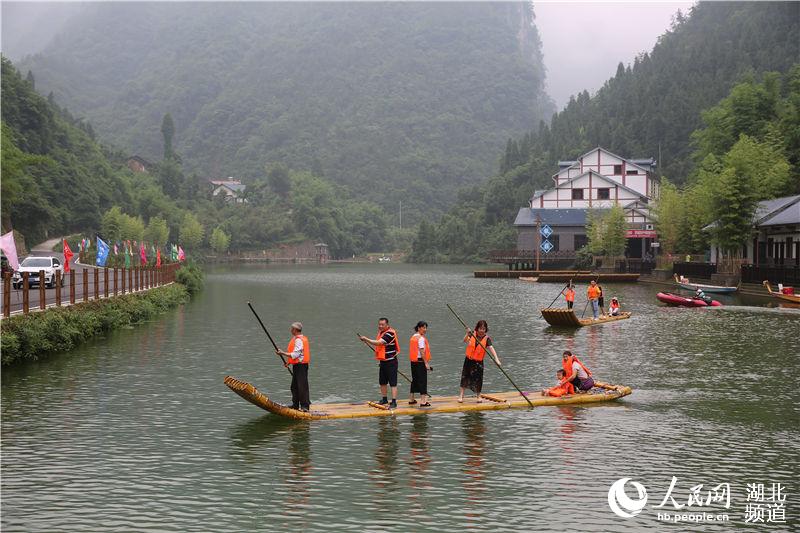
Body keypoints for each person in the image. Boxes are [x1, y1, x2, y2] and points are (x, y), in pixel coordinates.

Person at [359, 318, 401, 408]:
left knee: (393, 383)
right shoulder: (382, 333)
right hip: (383, 361)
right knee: (382, 382)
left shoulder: (390, 333)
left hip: (391, 362)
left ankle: (394, 401)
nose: (380, 326)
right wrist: (367, 341)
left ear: (387, 325)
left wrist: (366, 339)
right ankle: (384, 399)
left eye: (382, 325)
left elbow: (379, 343)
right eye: (379, 324)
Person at [459, 320, 501, 403]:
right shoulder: (472, 334)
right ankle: (461, 396)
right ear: (477, 328)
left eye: (483, 329)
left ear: (486, 329)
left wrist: (496, 359)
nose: (482, 330)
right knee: (465, 377)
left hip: (478, 362)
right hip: (469, 360)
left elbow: (491, 348)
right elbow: (464, 340)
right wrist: (467, 333)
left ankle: (478, 396)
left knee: (478, 379)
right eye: (480, 328)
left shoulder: (487, 338)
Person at [275, 322, 310, 411]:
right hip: (297, 365)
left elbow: (296, 354)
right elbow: (296, 355)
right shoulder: (296, 338)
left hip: (301, 366)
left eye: (292, 329)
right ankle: (295, 405)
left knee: (302, 386)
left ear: (295, 330)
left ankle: (305, 406)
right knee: (294, 386)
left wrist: (282, 353)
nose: (291, 330)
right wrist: (289, 362)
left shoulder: (299, 340)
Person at [408, 321, 432, 407]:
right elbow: (422, 352)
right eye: (423, 327)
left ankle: (411, 399)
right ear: (419, 328)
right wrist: (426, 363)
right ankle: (423, 401)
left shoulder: (413, 337)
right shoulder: (421, 339)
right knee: (422, 380)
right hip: (420, 361)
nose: (425, 330)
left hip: (413, 362)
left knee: (414, 380)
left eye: (426, 328)